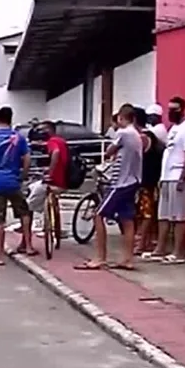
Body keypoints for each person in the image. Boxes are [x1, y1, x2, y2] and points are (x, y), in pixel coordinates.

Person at [75, 106, 143, 271]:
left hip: (121, 182)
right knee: (127, 220)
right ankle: (127, 259)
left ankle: (100, 257)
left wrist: (109, 154)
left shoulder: (124, 133)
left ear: (121, 118)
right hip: (134, 180)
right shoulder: (137, 135)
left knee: (98, 215)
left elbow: (109, 151)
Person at [144, 96, 185, 265]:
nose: (171, 112)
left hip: (179, 177)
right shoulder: (174, 129)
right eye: (169, 109)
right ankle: (160, 249)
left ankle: (178, 252)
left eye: (174, 109)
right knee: (164, 215)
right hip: (167, 177)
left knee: (179, 216)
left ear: (182, 109)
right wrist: (162, 177)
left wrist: (183, 177)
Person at [0, 106, 34, 265]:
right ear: (11, 118)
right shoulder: (19, 137)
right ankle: (29, 246)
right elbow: (27, 158)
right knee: (24, 212)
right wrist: (23, 175)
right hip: (13, 182)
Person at [134, 108, 164, 255]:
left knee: (145, 211)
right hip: (150, 179)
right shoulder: (149, 135)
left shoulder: (142, 137)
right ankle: (146, 240)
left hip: (145, 180)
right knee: (146, 210)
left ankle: (142, 243)